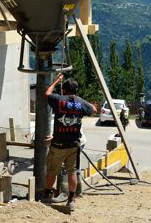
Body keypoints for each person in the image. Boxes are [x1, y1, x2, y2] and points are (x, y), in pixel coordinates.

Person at [43, 73, 96, 212]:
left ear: (64, 89)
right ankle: (71, 199)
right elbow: (93, 109)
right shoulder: (80, 103)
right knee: (72, 172)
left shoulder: (58, 99)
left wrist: (56, 80)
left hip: (58, 145)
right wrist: (80, 100)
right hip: (73, 145)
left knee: (51, 171)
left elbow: (47, 93)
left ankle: (47, 195)